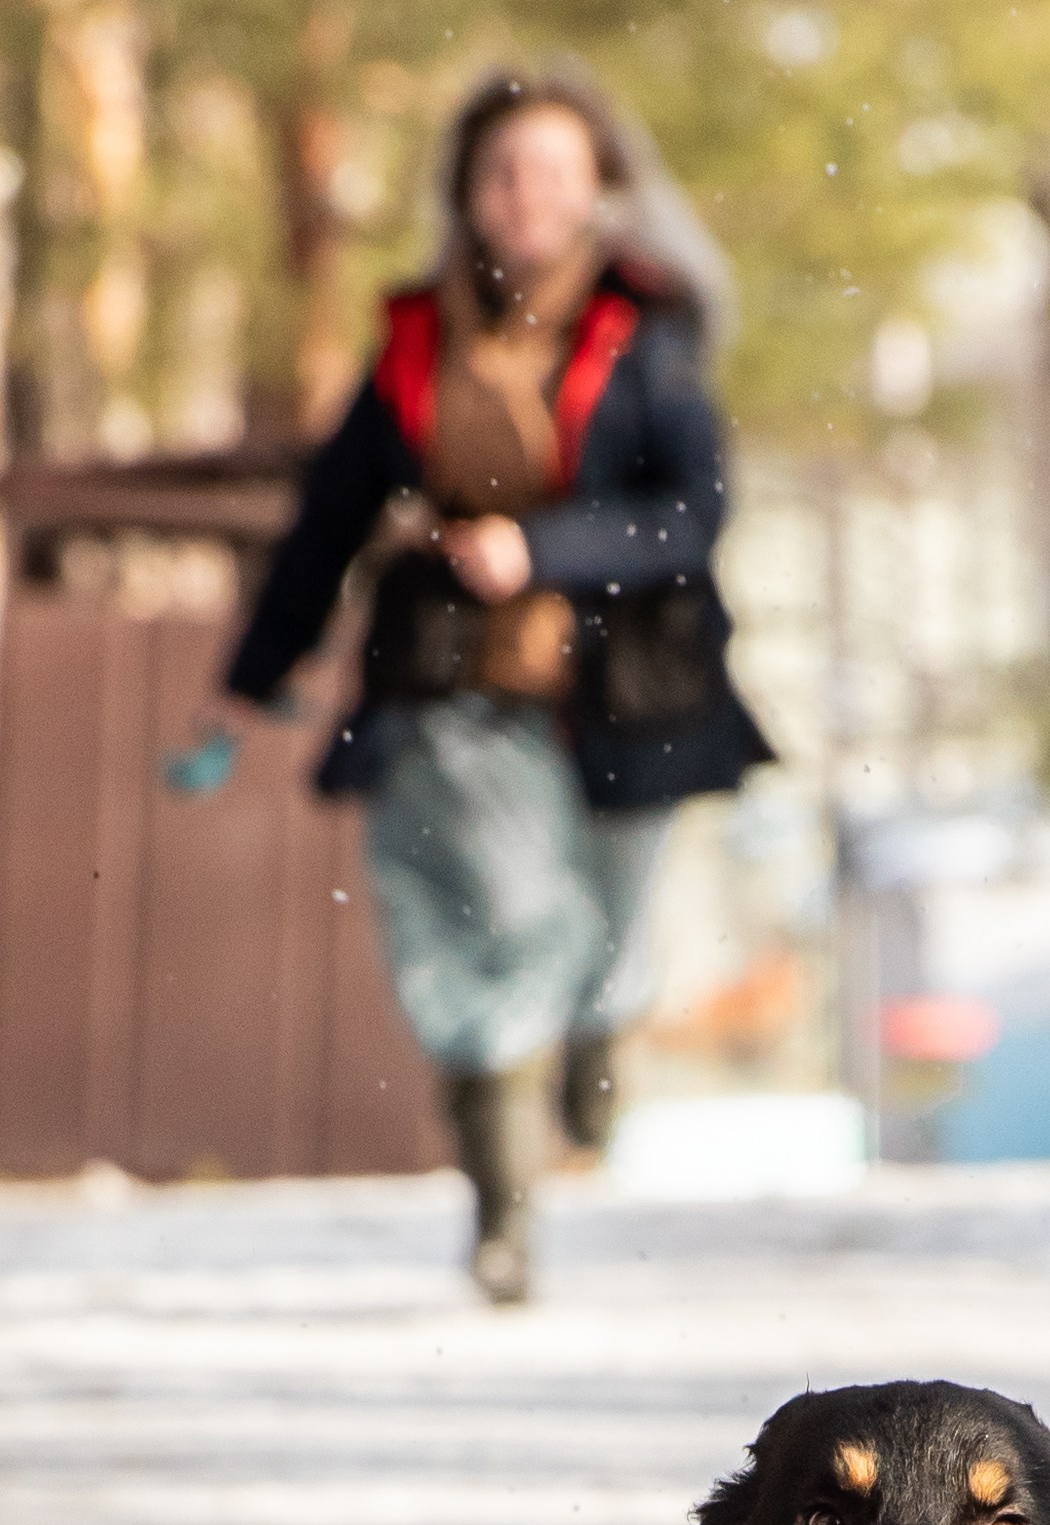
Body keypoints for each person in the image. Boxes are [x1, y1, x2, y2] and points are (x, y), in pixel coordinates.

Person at [200, 71, 769, 1301]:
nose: (526, 196)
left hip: (630, 678)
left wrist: (544, 550)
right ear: (465, 189)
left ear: (598, 193)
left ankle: (597, 1046)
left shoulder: (649, 333)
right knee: (497, 924)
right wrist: (248, 683)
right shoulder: (414, 337)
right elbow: (326, 526)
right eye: (504, 170)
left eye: (553, 172)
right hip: (457, 678)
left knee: (608, 944)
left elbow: (691, 515)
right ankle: (504, 1215)